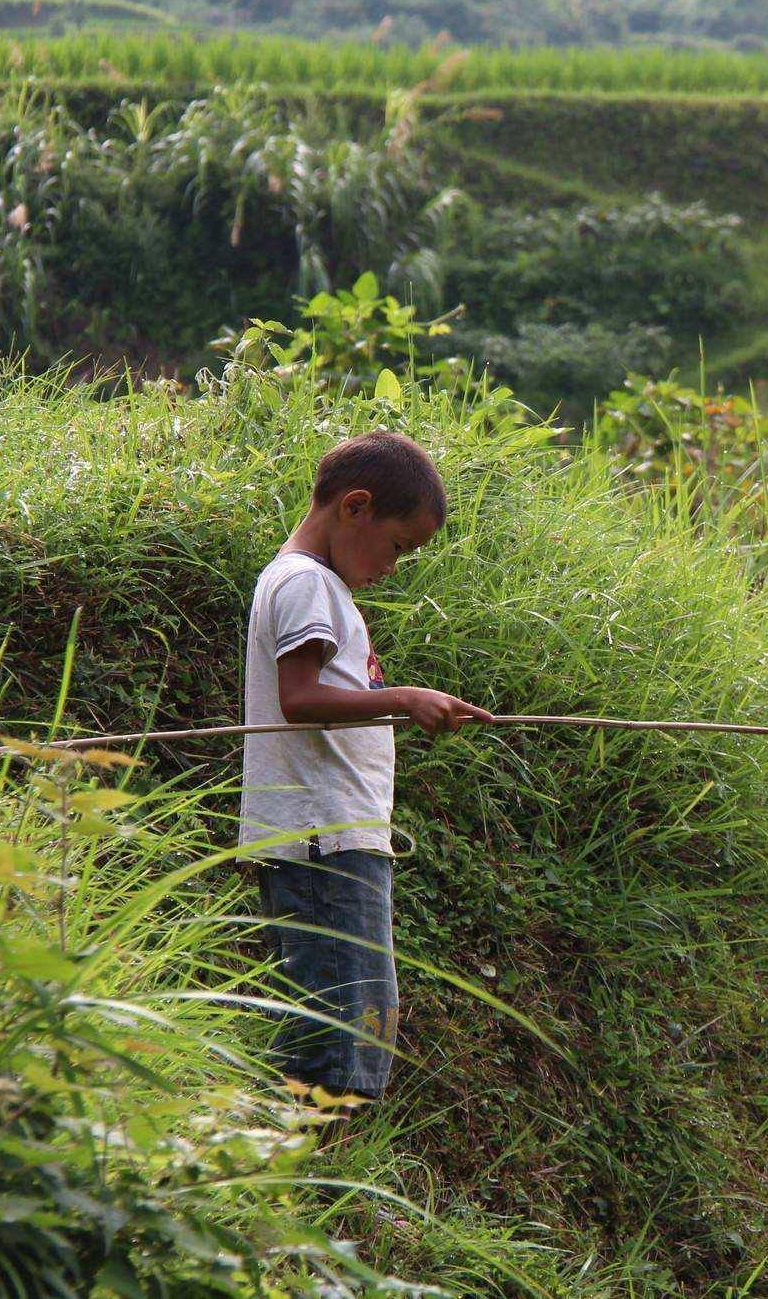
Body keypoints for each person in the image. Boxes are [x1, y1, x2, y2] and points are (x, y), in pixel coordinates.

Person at [237, 429, 494, 1127]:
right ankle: (296, 1186)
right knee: (337, 1033)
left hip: (340, 839)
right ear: (356, 507)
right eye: (399, 546)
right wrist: (404, 698)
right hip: (323, 841)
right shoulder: (306, 585)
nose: (395, 565)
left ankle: (308, 1184)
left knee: (358, 1022)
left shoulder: (311, 586)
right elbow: (302, 699)